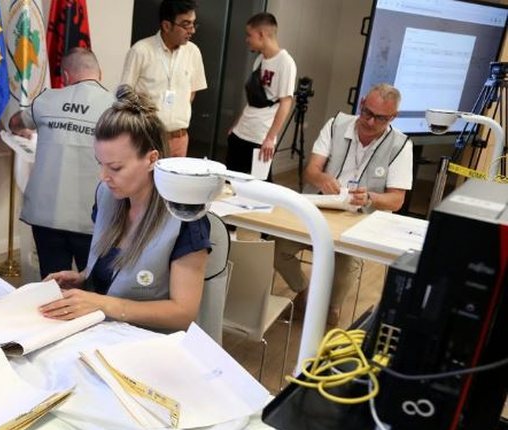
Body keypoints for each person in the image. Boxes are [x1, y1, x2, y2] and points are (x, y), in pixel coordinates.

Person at [40, 86, 210, 332]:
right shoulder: (107, 196)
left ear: (152, 159)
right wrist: (84, 277)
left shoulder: (186, 219)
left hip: (148, 342)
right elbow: (114, 270)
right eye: (100, 164)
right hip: (102, 331)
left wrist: (103, 304)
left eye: (115, 168)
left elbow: (183, 313)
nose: (104, 176)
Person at [274, 83, 412, 325]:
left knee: (345, 266)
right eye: (367, 112)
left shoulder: (400, 145)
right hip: (320, 210)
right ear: (361, 104)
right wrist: (322, 178)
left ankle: (332, 304)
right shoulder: (336, 124)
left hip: (360, 220)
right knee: (278, 249)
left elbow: (396, 200)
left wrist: (371, 198)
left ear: (393, 117)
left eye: (380, 118)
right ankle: (304, 291)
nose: (370, 122)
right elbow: (311, 171)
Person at [8, 47, 114, 278]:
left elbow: (15, 122)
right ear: (100, 73)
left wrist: (28, 129)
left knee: (52, 283)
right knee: (94, 284)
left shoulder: (45, 100)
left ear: (65, 76)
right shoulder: (116, 107)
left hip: (46, 216)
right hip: (94, 218)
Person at [120, 0, 207, 158]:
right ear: (166, 26)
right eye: (186, 24)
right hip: (148, 137)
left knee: (175, 175)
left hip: (179, 138)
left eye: (193, 24)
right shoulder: (141, 50)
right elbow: (124, 94)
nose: (192, 30)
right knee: (147, 175)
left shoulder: (193, 52)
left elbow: (192, 92)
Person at [226, 12, 296, 176]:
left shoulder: (285, 63)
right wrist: (237, 124)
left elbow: (286, 103)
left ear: (261, 34)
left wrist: (270, 138)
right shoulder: (259, 60)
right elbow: (253, 99)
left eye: (249, 35)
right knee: (231, 180)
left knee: (259, 183)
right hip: (241, 132)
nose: (247, 39)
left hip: (260, 137)